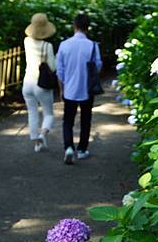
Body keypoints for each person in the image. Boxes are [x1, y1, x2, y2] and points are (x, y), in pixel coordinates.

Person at [56, 13, 102, 165]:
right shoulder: (93, 46)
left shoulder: (64, 45)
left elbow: (60, 71)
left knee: (68, 120)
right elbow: (98, 66)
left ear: (74, 26)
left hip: (69, 89)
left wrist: (62, 89)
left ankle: (68, 147)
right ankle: (82, 150)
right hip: (87, 89)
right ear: (87, 28)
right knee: (85, 120)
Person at [22, 13, 56, 153]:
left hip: (27, 82)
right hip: (41, 84)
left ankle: (37, 144)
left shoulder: (26, 41)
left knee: (32, 112)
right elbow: (53, 67)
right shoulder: (47, 46)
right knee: (48, 114)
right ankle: (42, 134)